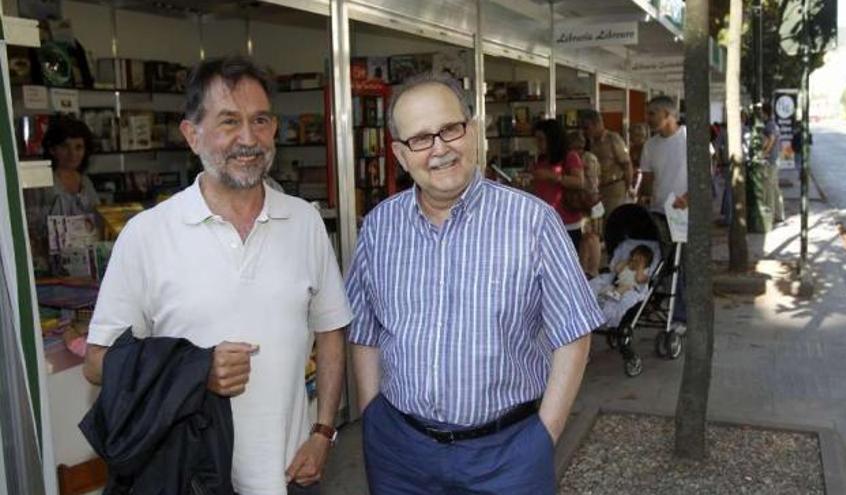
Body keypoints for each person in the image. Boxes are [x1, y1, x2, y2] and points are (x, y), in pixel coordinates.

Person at [83, 56, 352, 495]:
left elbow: (331, 330)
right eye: (229, 121)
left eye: (260, 120)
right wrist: (195, 369)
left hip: (293, 477)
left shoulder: (304, 221)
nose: (248, 139)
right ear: (192, 135)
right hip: (190, 479)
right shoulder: (147, 235)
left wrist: (323, 433)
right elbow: (97, 364)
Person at [346, 72, 603, 494]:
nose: (440, 149)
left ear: (475, 130)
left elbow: (573, 333)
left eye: (450, 129)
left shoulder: (533, 223)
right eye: (421, 139)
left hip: (507, 456)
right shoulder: (379, 227)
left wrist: (543, 437)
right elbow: (365, 329)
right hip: (400, 454)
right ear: (399, 154)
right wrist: (372, 412)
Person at [25, 116, 101, 273]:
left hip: (85, 265)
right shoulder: (42, 181)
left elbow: (97, 221)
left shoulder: (86, 182)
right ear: (52, 149)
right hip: (49, 267)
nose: (72, 153)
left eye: (78, 147)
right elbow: (30, 229)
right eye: (65, 146)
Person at [639, 95, 688, 332]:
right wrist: (643, 198)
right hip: (658, 212)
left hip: (684, 213)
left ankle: (681, 316)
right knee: (660, 263)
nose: (647, 119)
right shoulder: (650, 146)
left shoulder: (690, 139)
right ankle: (656, 307)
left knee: (683, 266)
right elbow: (648, 178)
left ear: (668, 114)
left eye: (652, 114)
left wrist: (687, 199)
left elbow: (705, 176)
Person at [530, 119, 586, 249]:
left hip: (566, 221)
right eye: (536, 140)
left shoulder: (570, 157)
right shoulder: (540, 160)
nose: (538, 144)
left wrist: (553, 176)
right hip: (544, 221)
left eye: (541, 140)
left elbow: (579, 182)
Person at [582, 109, 633, 219]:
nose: (585, 131)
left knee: (614, 221)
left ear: (597, 124)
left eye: (587, 127)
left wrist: (629, 189)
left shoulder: (613, 139)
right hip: (598, 190)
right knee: (599, 224)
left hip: (614, 189)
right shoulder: (590, 142)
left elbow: (626, 165)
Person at [568, 130, 602, 277]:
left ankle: (589, 269)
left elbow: (589, 184)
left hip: (588, 203)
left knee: (590, 236)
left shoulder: (586, 159)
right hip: (589, 202)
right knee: (588, 237)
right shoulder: (586, 158)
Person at [761, 102, 785, 224]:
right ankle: (779, 215)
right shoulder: (775, 125)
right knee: (775, 188)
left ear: (764, 112)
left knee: (769, 188)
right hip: (776, 159)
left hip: (771, 160)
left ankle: (769, 216)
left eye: (761, 112)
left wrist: (764, 152)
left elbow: (771, 139)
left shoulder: (769, 126)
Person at [628, 122, 650, 205]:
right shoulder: (633, 148)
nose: (630, 139)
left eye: (632, 136)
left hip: (644, 180)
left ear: (639, 136)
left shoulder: (647, 148)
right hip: (635, 179)